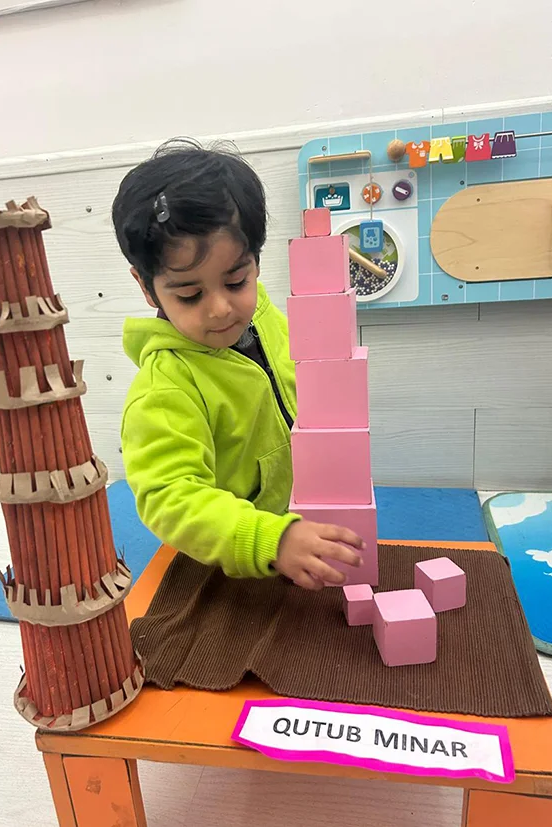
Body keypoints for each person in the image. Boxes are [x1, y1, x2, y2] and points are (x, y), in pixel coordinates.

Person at [113, 139, 364, 591]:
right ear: (147, 288)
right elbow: (170, 498)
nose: (220, 309)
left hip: (307, 527)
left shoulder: (265, 314)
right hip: (237, 557)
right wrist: (269, 539)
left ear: (255, 262)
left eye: (235, 281)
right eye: (190, 294)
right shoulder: (165, 389)